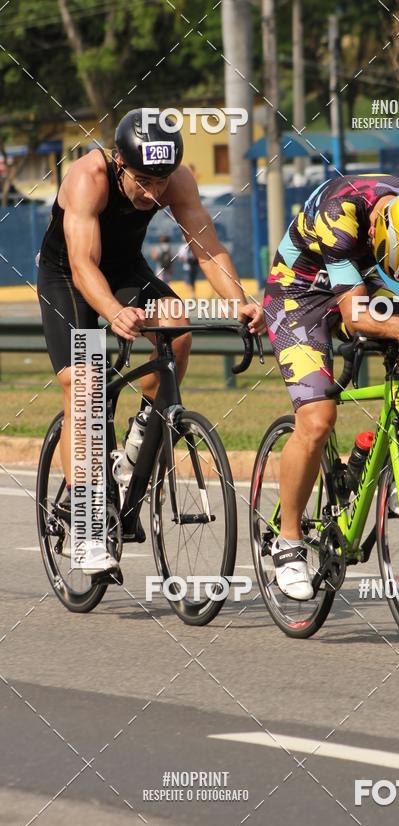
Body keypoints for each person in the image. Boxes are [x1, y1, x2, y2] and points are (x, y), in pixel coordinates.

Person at [37, 107, 263, 572]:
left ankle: (142, 431)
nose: (152, 192)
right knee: (84, 384)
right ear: (119, 161)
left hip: (124, 269)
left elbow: (207, 247)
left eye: (160, 180)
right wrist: (115, 312)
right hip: (69, 274)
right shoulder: (89, 176)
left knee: (176, 325)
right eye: (143, 179)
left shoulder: (175, 179)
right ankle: (85, 522)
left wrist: (239, 300)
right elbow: (83, 265)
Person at [263, 174, 399, 600]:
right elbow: (354, 317)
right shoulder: (342, 215)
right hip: (297, 293)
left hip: (351, 279)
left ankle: (394, 445)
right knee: (317, 421)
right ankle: (289, 541)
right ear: (376, 230)